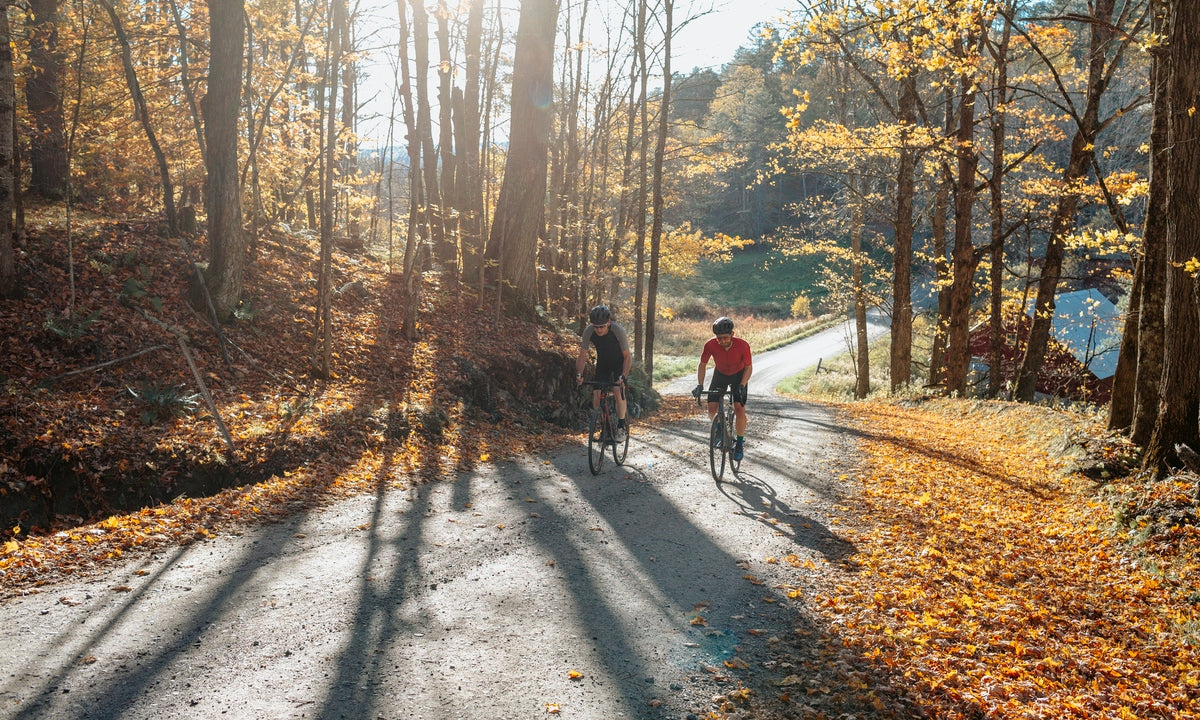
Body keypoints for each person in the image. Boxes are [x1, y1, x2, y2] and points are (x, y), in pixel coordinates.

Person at [692, 316, 752, 461]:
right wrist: (700, 385)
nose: (722, 341)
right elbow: (702, 364)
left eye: (725, 337)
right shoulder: (710, 345)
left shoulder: (743, 345)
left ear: (732, 334)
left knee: (739, 407)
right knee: (712, 407)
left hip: (739, 375)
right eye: (719, 338)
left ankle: (739, 443)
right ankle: (719, 429)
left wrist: (742, 386)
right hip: (721, 375)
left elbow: (749, 367)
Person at [576, 305, 633, 438]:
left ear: (608, 322)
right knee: (596, 397)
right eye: (596, 327)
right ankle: (605, 427)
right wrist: (579, 374)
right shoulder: (589, 331)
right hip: (603, 363)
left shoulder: (618, 330)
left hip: (619, 362)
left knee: (618, 391)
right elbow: (582, 356)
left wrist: (623, 376)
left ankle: (621, 426)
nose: (598, 330)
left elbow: (627, 357)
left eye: (601, 326)